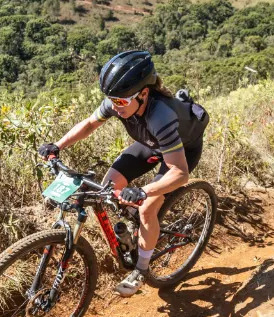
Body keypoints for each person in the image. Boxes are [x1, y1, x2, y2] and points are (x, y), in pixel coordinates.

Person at [38, 50, 208, 297]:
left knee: (148, 207)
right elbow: (89, 124)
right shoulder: (120, 100)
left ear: (144, 93)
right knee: (109, 186)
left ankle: (141, 269)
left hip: (181, 151)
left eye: (120, 102)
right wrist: (58, 145)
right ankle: (136, 223)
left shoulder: (161, 116)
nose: (115, 107)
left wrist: (143, 192)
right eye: (111, 100)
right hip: (151, 143)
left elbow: (180, 174)